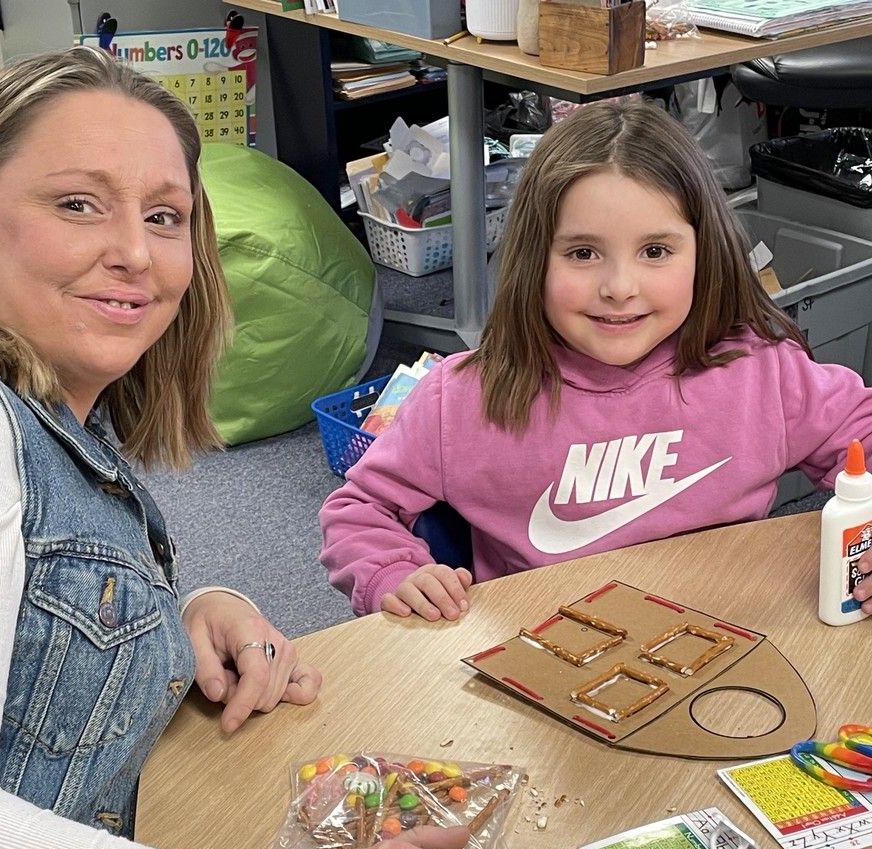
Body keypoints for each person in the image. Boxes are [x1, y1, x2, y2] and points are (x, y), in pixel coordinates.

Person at [0, 47, 472, 849]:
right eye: (77, 204)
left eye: (163, 216)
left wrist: (176, 615)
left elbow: (20, 613)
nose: (137, 255)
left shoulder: (58, 419)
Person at [320, 99, 872, 622]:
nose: (620, 287)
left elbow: (860, 435)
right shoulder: (465, 397)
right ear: (535, 259)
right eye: (583, 253)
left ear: (705, 252)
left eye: (655, 251)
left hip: (729, 643)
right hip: (545, 663)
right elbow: (361, 509)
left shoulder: (763, 371)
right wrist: (393, 571)